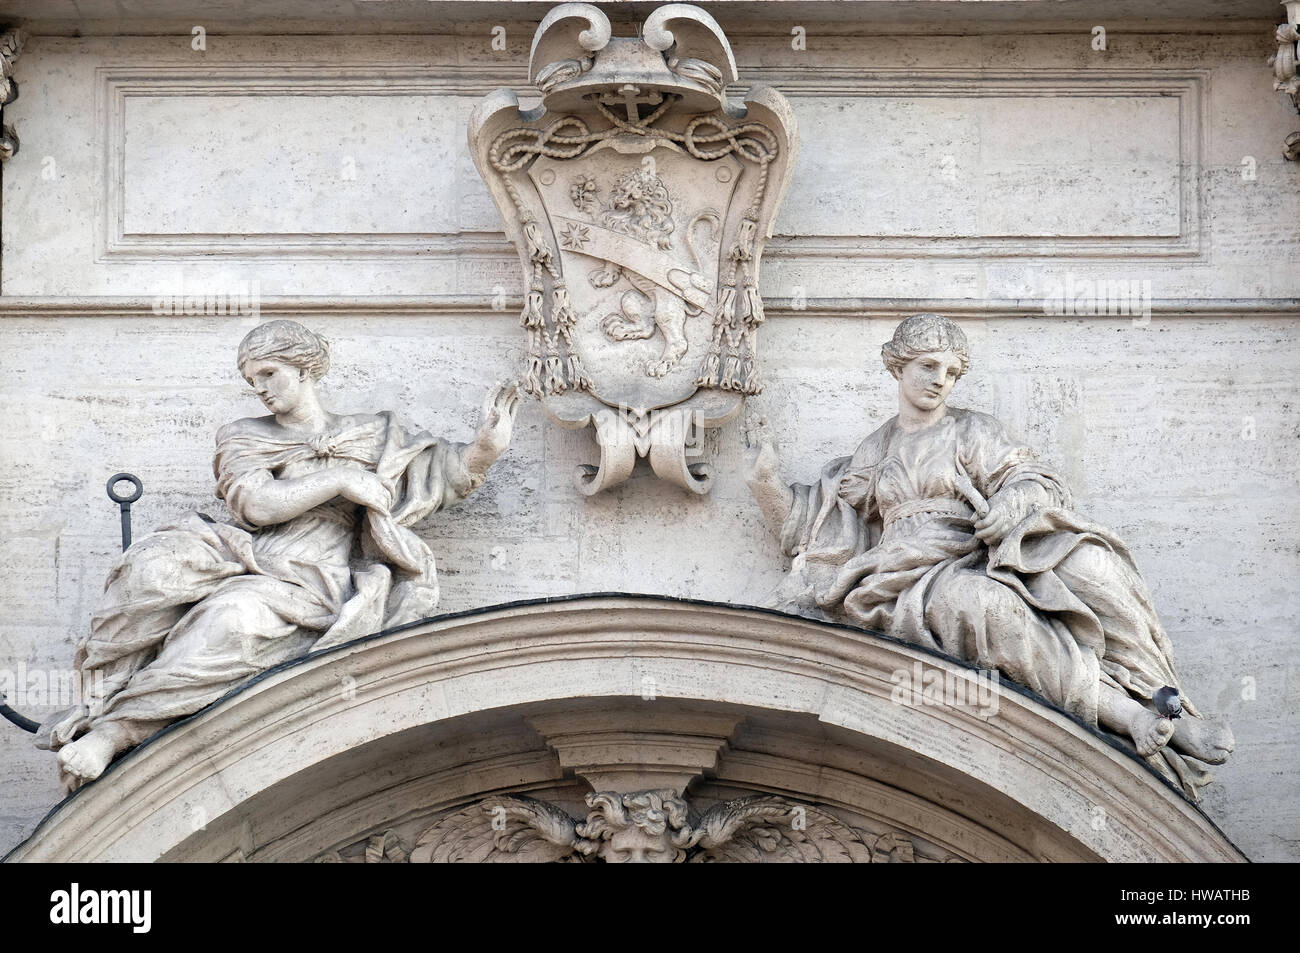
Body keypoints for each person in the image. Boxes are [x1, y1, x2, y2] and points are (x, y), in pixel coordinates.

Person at [742, 313, 1233, 798]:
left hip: (958, 550)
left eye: (952, 372)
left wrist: (1007, 506)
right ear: (897, 366)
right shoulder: (876, 447)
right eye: (928, 366)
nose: (940, 380)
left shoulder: (971, 430)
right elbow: (817, 521)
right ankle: (1127, 716)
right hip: (897, 572)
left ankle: (1148, 708)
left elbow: (1032, 480)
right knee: (983, 605)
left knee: (1056, 578)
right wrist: (763, 482)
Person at [39, 320, 522, 790]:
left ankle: (116, 732)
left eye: (269, 374)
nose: (261, 390)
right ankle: (106, 704)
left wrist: (484, 449)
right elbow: (256, 504)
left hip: (318, 578)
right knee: (155, 565)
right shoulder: (244, 435)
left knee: (234, 616)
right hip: (256, 554)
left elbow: (441, 478)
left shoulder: (377, 433)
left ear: (305, 369)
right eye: (253, 381)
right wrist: (338, 479)